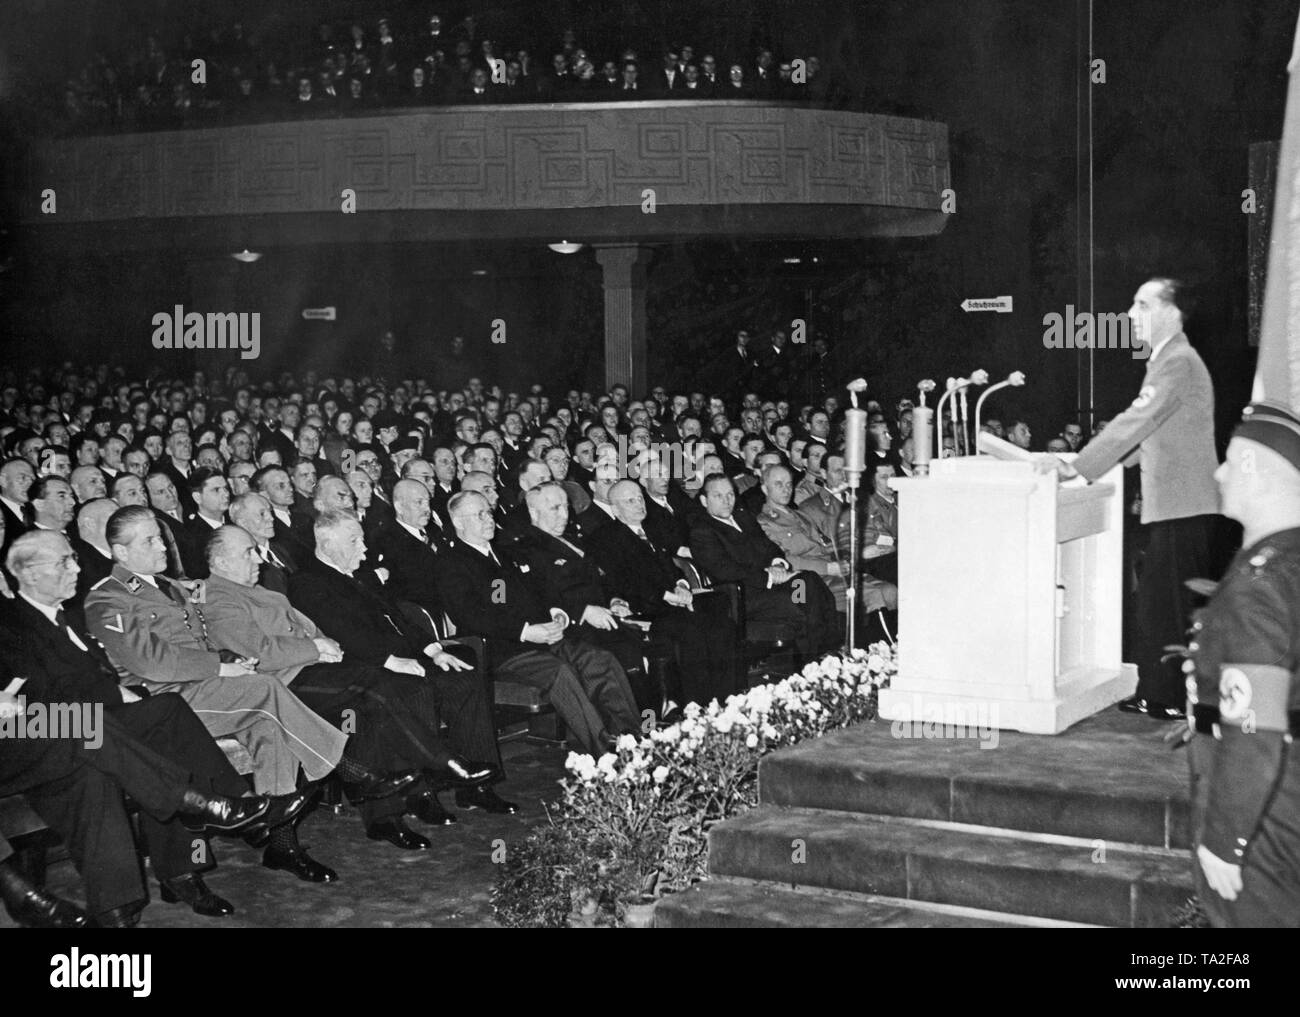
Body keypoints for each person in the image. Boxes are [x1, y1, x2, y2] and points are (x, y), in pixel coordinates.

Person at [1039, 277, 1219, 720]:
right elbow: (1150, 435)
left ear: (1171, 313)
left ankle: (1171, 698)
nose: (1130, 315)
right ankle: (1159, 693)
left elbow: (1139, 418)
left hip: (1185, 506)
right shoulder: (1170, 359)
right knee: (1159, 602)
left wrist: (1078, 465)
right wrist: (1096, 464)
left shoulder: (1177, 359)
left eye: (1142, 305)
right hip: (1178, 506)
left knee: (1168, 605)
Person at [1184, 401, 1300, 928]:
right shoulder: (1286, 565)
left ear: (1255, 469)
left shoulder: (1259, 585)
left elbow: (1254, 727)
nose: (1219, 472)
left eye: (1230, 460)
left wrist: (1226, 838)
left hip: (1260, 804)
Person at [436, 490, 640, 755]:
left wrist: (557, 614)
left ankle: (634, 740)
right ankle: (603, 754)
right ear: (459, 523)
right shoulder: (452, 563)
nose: (489, 519)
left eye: (489, 512)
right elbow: (472, 616)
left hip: (542, 638)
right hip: (502, 649)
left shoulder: (507, 553)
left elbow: (541, 593)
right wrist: (525, 631)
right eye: (480, 514)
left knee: (599, 659)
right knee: (558, 672)